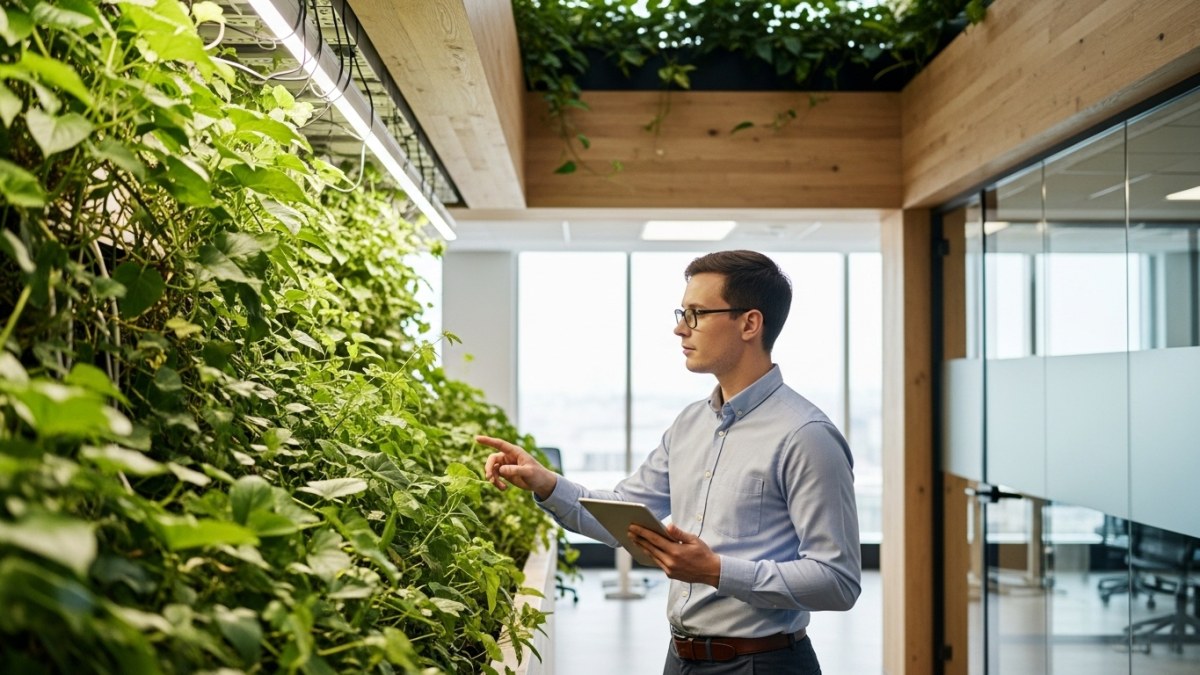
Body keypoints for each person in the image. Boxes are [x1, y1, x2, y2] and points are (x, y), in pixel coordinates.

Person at [477, 250, 860, 674]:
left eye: (696, 313)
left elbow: (837, 581)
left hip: (764, 664)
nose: (680, 328)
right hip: (680, 659)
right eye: (683, 312)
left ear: (750, 323)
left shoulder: (806, 435)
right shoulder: (690, 424)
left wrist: (717, 571)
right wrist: (546, 483)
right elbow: (622, 513)